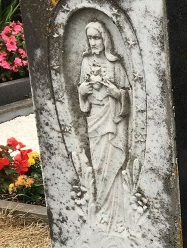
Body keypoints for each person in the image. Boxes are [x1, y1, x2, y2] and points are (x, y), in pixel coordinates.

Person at [77, 20, 131, 234]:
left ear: (105, 39)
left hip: (113, 120)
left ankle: (118, 216)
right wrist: (82, 92)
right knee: (98, 165)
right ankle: (102, 212)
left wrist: (118, 94)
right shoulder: (85, 62)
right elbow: (82, 96)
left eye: (97, 37)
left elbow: (127, 93)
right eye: (90, 38)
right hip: (94, 119)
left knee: (113, 163)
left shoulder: (115, 64)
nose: (93, 42)